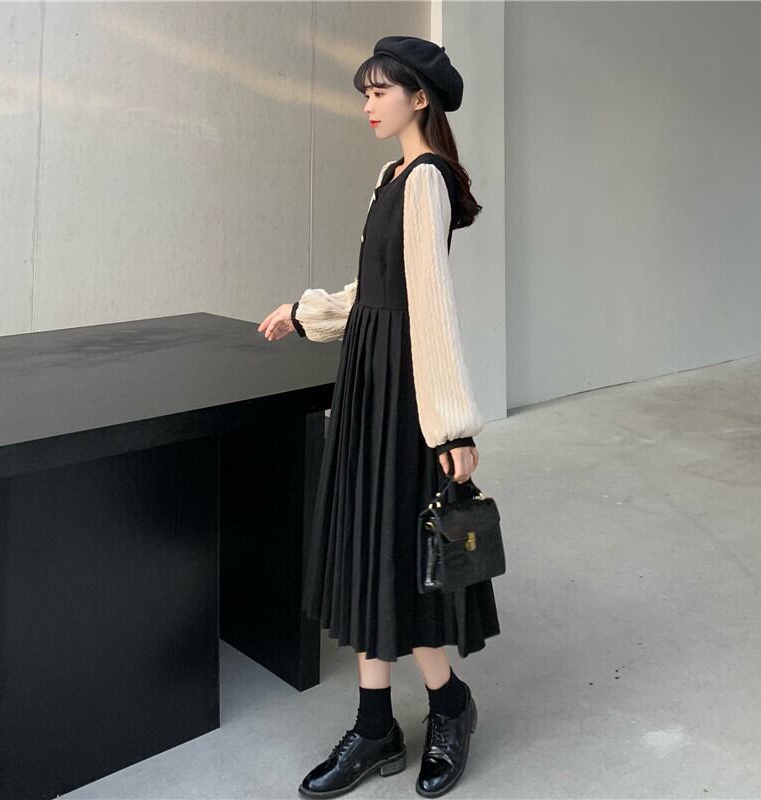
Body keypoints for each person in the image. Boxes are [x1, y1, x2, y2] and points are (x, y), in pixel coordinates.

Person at [258, 35, 500, 798]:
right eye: (364, 93)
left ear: (418, 98)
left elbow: (429, 303)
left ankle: (449, 705)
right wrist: (309, 312)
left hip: (404, 387)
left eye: (379, 92)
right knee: (368, 542)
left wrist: (451, 425)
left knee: (399, 547)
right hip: (369, 374)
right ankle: (374, 726)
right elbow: (375, 288)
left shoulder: (426, 179)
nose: (367, 105)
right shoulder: (391, 176)